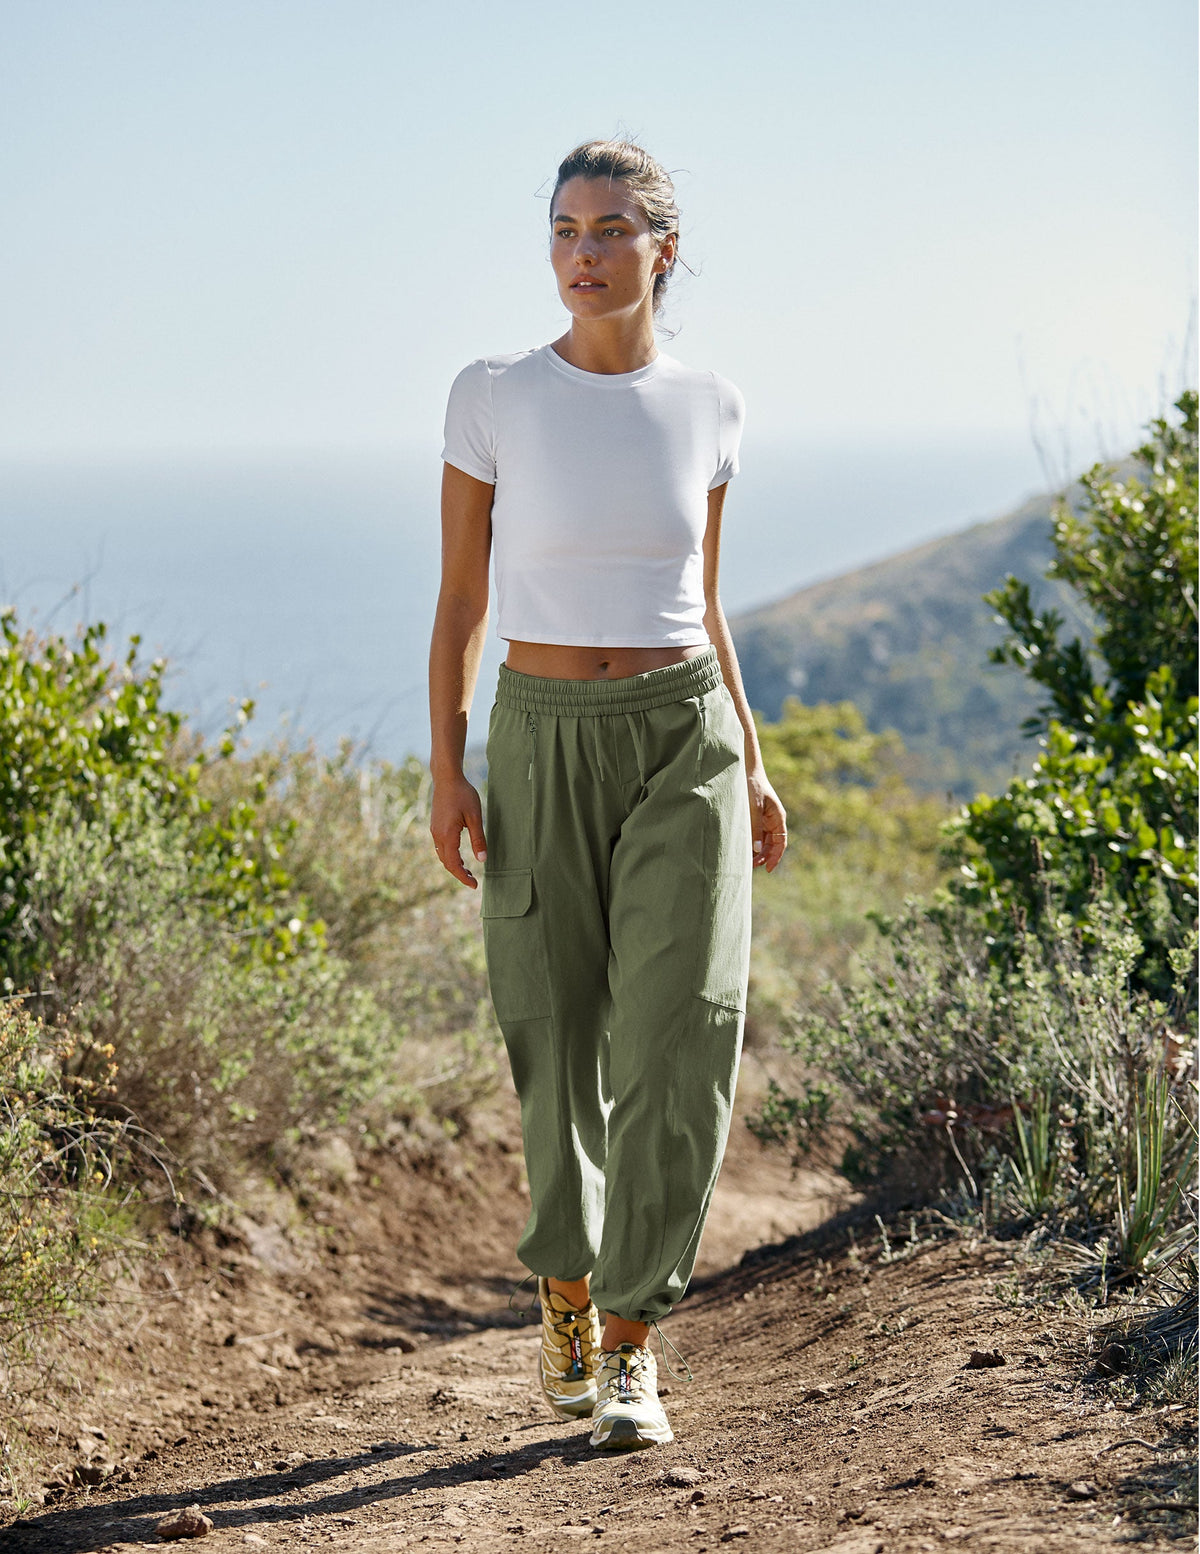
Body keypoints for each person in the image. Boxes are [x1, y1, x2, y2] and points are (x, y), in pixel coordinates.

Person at [428, 139, 787, 1452]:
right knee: (553, 1031)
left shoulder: (712, 408)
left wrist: (748, 754)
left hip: (682, 729)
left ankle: (634, 1341)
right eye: (565, 229)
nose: (583, 252)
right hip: (536, 734)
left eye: (611, 228)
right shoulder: (493, 396)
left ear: (662, 248)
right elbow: (463, 599)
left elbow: (706, 599)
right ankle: (568, 1287)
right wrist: (446, 760)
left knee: (683, 1030)